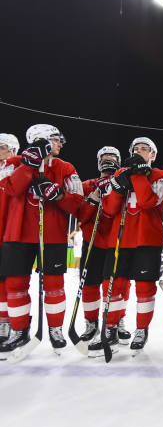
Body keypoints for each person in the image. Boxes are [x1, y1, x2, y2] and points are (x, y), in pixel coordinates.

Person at [0, 124, 83, 358]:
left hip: (52, 235)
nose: (60, 144)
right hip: (17, 234)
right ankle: (18, 331)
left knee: (54, 285)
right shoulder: (15, 162)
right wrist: (28, 166)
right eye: (56, 139)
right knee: (15, 285)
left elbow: (76, 201)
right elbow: (10, 189)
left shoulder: (65, 167)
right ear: (42, 140)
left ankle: (55, 330)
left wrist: (57, 194)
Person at [88, 137, 163, 356]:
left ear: (153, 155)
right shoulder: (119, 173)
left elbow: (148, 201)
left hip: (147, 241)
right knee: (112, 286)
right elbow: (110, 209)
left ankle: (142, 329)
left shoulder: (160, 176)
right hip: (120, 240)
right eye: (136, 149)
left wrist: (139, 175)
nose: (140, 151)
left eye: (145, 149)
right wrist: (117, 186)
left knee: (144, 289)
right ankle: (110, 328)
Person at [73, 146, 120, 347]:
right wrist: (94, 195)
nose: (108, 161)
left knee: (114, 286)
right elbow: (80, 215)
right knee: (90, 285)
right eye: (105, 158)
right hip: (91, 242)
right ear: (98, 162)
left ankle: (115, 322)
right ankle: (91, 323)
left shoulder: (122, 183)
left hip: (114, 243)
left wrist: (113, 189)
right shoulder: (86, 185)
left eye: (113, 158)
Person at [0, 133, 20, 345]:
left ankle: (5, 322)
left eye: (1, 147)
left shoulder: (16, 168)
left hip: (8, 234)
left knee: (5, 281)